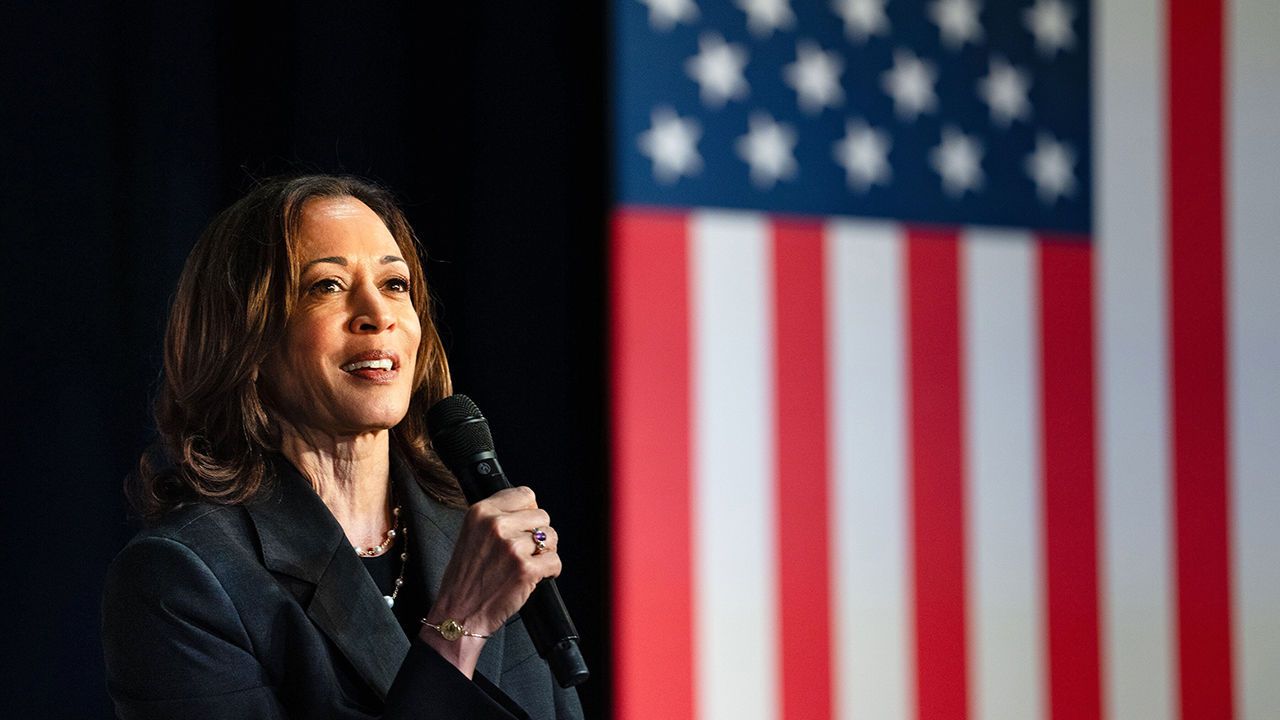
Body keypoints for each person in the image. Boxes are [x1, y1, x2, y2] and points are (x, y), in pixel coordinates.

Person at [102, 175, 584, 719]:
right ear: (246, 338)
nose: (378, 314)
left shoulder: (477, 543)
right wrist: (459, 626)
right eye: (326, 286)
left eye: (395, 284)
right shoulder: (182, 579)